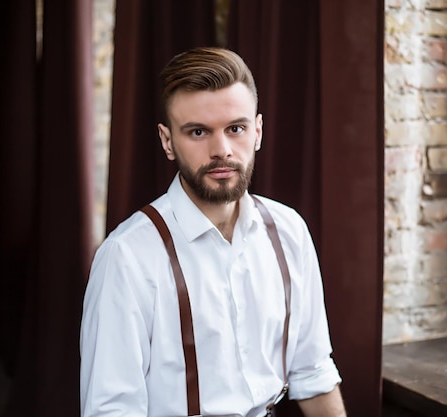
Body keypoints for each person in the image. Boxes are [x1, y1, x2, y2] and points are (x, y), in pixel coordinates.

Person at [79, 46, 346, 417]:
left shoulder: (289, 232)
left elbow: (313, 372)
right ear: (167, 140)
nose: (221, 150)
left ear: (258, 131)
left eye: (235, 128)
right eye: (198, 132)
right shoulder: (127, 256)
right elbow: (112, 411)